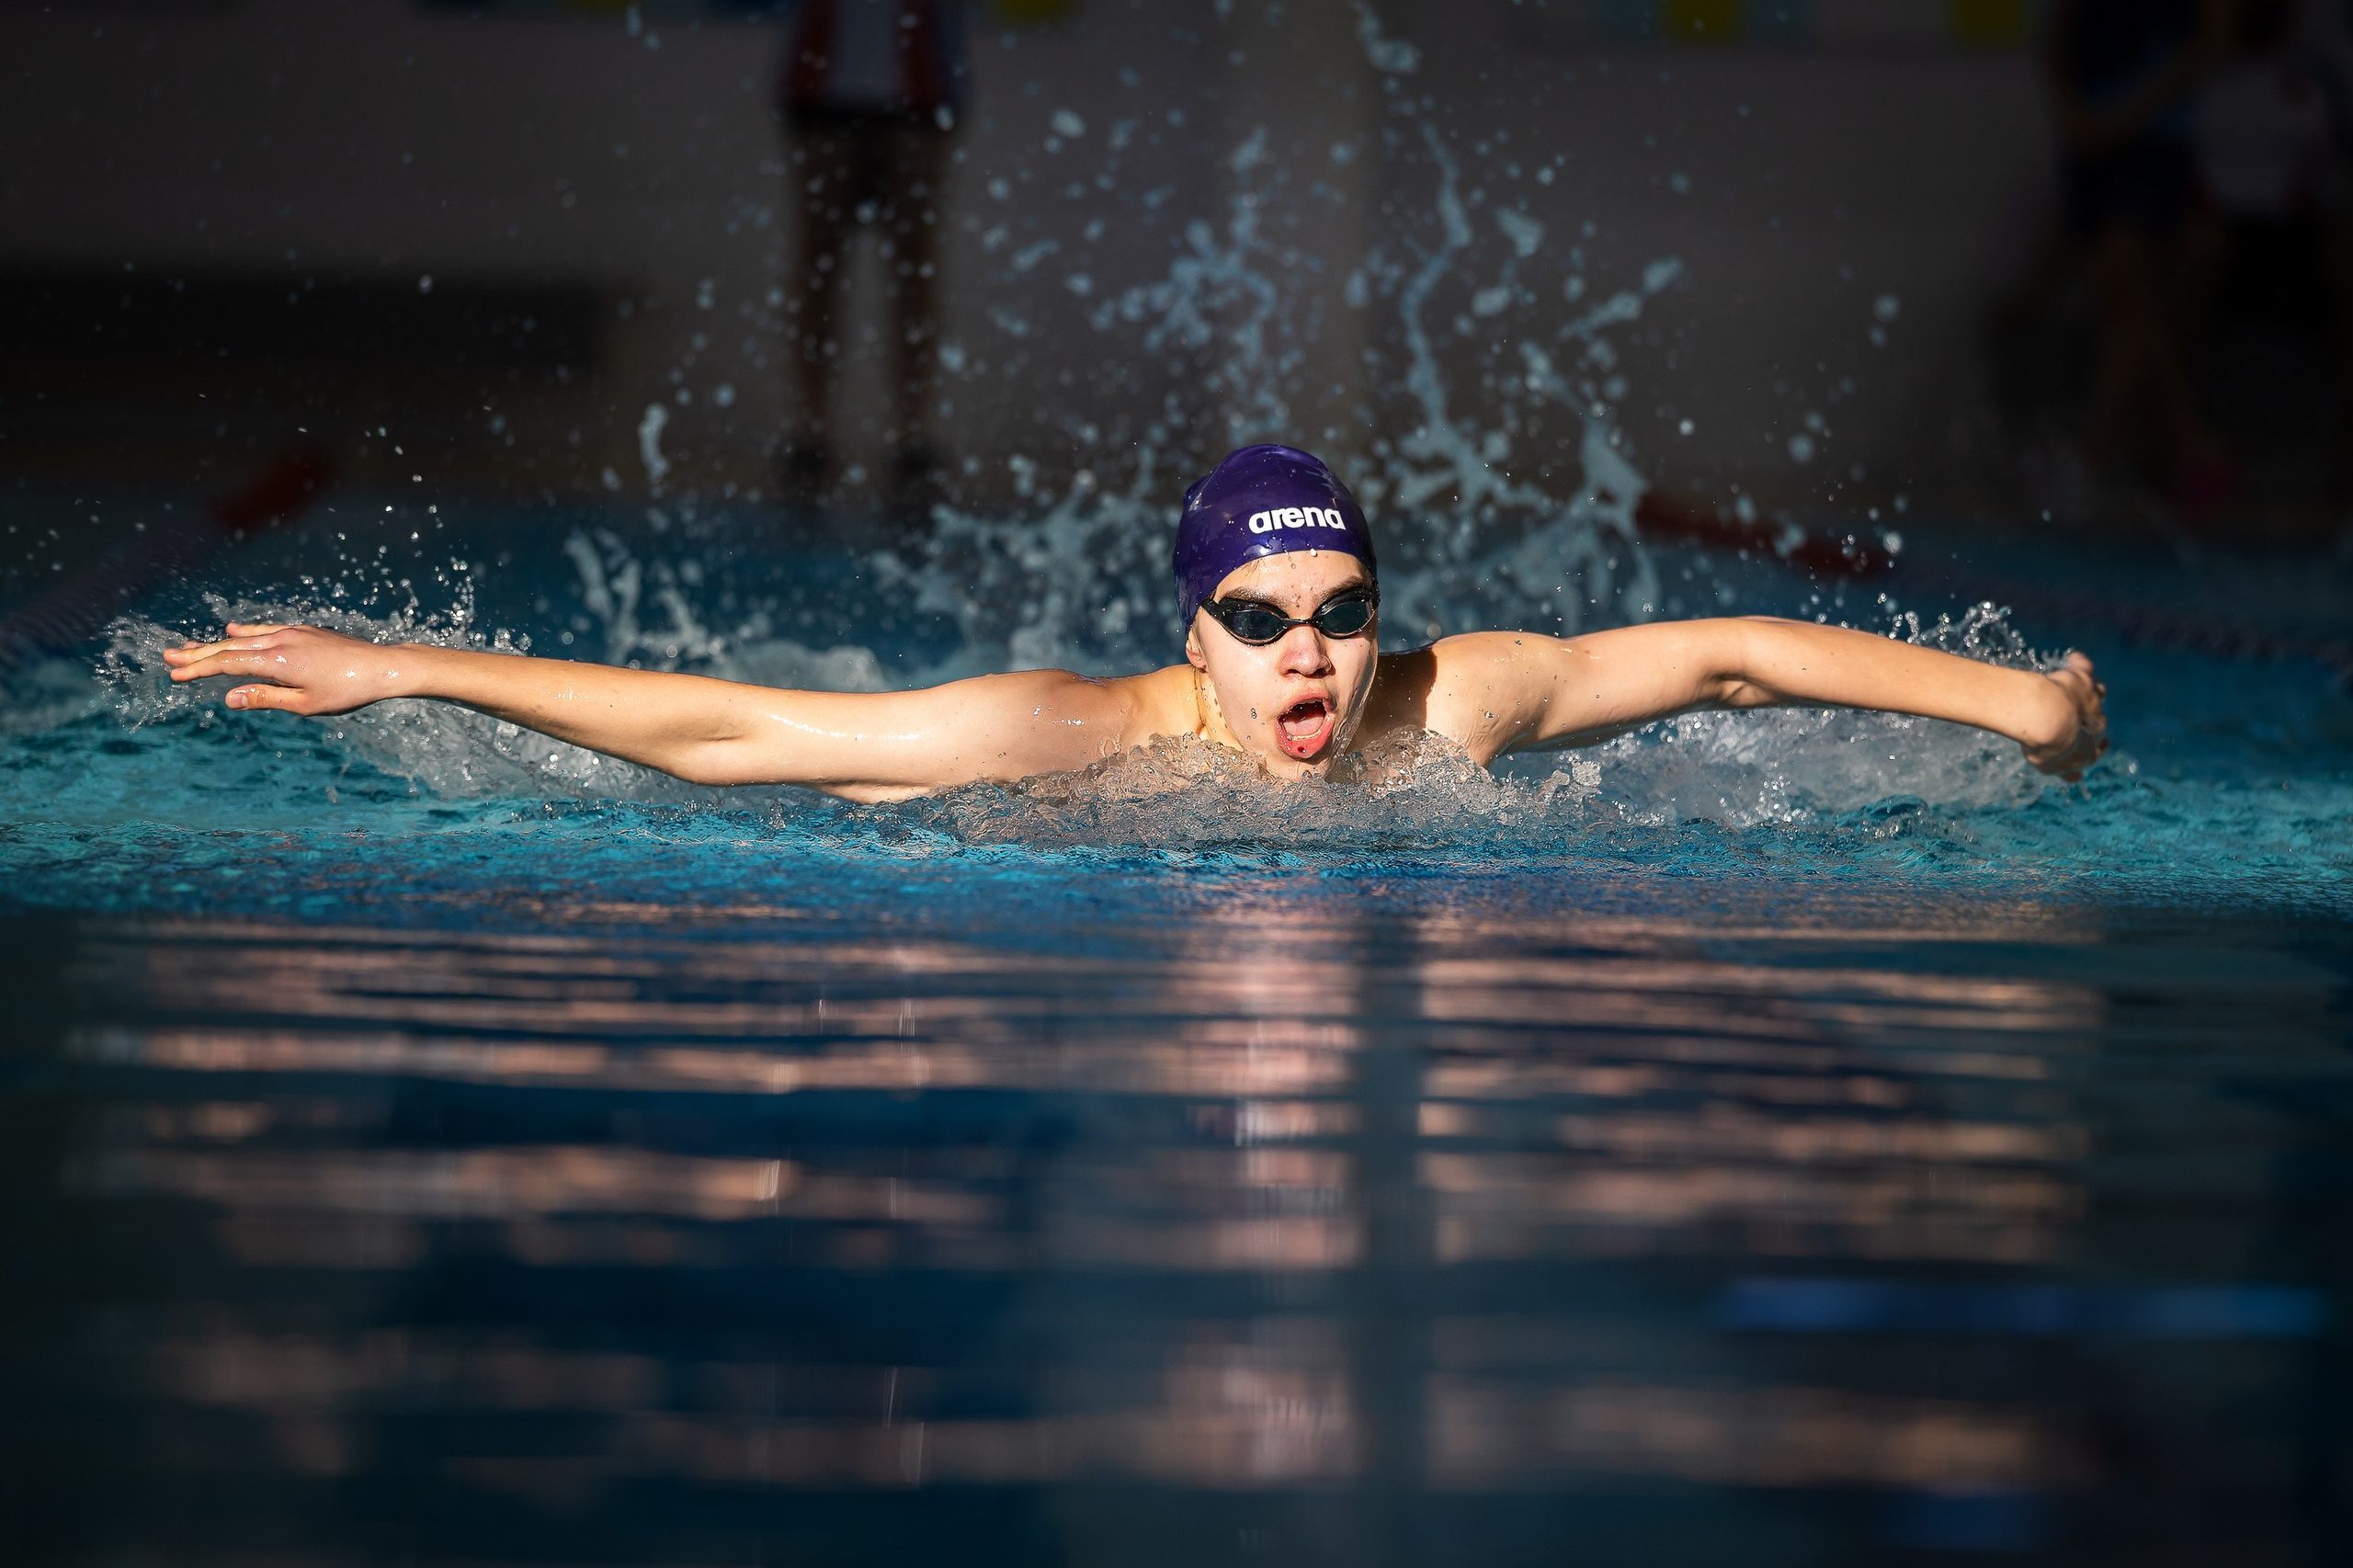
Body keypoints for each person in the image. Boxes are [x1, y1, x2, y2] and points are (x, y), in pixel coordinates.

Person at [161, 447, 2109, 801]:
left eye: (1340, 613)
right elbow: (740, 728)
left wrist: (2018, 704)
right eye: (1258, 619)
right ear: (1193, 639)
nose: (1308, 655)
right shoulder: (1074, 737)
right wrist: (404, 666)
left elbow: (1731, 651)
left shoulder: (1448, 708)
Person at [773, 0, 968, 515]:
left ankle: (913, 431)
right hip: (823, 99)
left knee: (914, 273)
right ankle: (810, 429)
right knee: (819, 271)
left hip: (917, 99)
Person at [2046, 0, 2238, 518]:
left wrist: (2122, 117)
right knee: (2125, 309)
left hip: (2152, 142)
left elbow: (2211, 45)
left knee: (2133, 304)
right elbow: (2058, 41)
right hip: (2098, 143)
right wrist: (2074, 116)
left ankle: (2106, 453)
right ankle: (2178, 443)